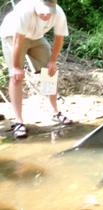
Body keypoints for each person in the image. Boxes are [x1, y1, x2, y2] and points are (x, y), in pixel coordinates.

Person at [0, 0, 72, 139]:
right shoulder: (24, 10)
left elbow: (59, 39)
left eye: (49, 11)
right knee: (16, 77)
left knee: (49, 72)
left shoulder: (59, 13)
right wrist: (15, 67)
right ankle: (19, 122)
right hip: (12, 36)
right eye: (42, 11)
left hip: (36, 37)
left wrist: (52, 61)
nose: (46, 14)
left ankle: (55, 112)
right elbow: (17, 40)